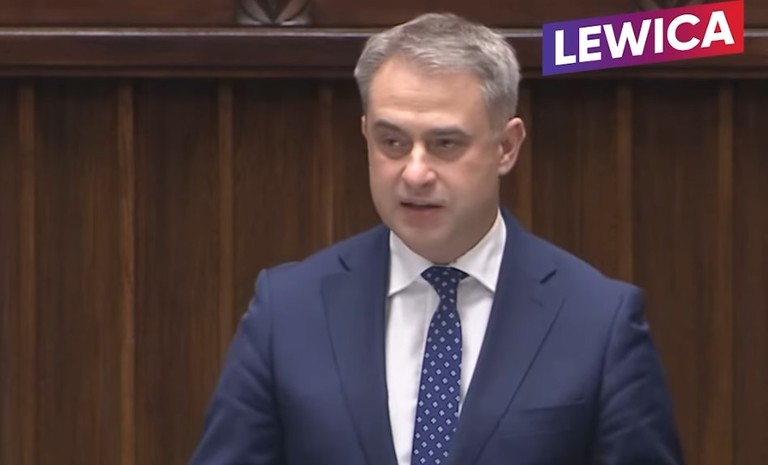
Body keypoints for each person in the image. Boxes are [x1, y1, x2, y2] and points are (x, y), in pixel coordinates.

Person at [187, 12, 685, 465]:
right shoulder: (288, 311)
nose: (415, 173)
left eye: (445, 144)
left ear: (506, 147)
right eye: (392, 142)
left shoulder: (599, 322)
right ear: (366, 137)